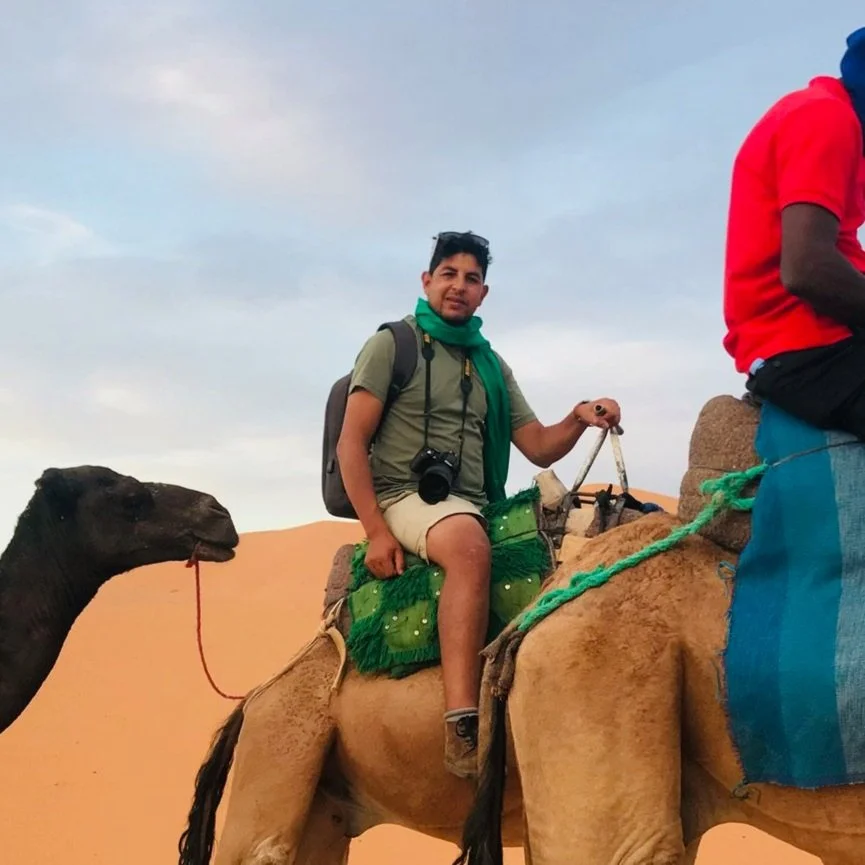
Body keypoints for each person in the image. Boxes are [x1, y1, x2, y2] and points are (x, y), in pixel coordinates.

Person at [336, 230, 621, 778]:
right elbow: (351, 442)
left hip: (472, 500)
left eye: (470, 279)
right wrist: (375, 530)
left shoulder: (490, 365)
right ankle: (462, 723)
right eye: (449, 275)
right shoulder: (390, 346)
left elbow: (536, 444)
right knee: (469, 545)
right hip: (402, 496)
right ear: (427, 281)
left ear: (483, 293)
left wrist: (581, 416)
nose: (458, 287)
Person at [722, 27, 865, 436]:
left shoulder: (838, 124)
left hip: (819, 337)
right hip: (805, 346)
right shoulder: (825, 118)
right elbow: (807, 269)